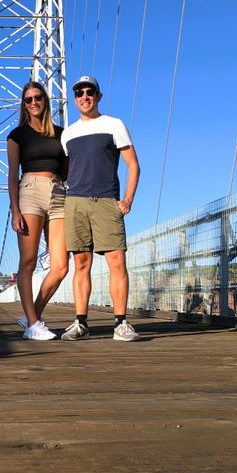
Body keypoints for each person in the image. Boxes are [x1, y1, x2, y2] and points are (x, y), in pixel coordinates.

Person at [60, 75, 141, 342]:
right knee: (81, 263)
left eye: (90, 91)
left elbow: (133, 165)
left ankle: (121, 323)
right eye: (79, 92)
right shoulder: (67, 133)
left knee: (117, 261)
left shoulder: (114, 125)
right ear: (74, 99)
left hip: (106, 200)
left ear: (98, 96)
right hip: (76, 202)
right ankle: (80, 323)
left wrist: (127, 199)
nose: (85, 96)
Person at [7, 81, 69, 341]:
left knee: (61, 266)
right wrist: (15, 209)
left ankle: (32, 314)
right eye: (28, 99)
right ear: (24, 104)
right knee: (28, 262)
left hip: (58, 192)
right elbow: (12, 175)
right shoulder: (17, 135)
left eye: (38, 98)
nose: (34, 103)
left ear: (45, 100)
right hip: (30, 190)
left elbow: (68, 171)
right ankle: (33, 324)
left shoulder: (61, 133)